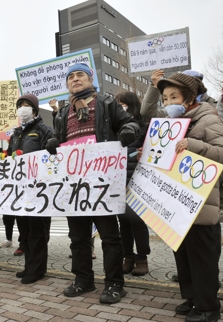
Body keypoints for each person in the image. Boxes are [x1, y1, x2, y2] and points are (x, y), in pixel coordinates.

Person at [46, 63, 140, 304]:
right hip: (74, 185)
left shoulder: (107, 104)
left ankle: (114, 284)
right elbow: (59, 137)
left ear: (90, 80)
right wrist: (54, 142)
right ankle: (83, 279)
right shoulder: (64, 111)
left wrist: (128, 130)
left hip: (102, 183)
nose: (75, 80)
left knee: (109, 236)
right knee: (78, 237)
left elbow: (131, 123)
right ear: (67, 84)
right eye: (71, 77)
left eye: (80, 75)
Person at [144, 73, 223, 321]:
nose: (168, 102)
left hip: (202, 206)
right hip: (176, 204)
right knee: (184, 256)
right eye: (165, 98)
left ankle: (208, 307)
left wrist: (195, 145)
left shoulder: (207, 119)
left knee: (202, 258)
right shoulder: (171, 124)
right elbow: (147, 114)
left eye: (174, 97)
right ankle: (192, 299)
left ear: (190, 98)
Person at [7, 93, 53, 284]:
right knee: (24, 231)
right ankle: (28, 266)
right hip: (21, 189)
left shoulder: (43, 130)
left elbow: (51, 157)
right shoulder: (16, 133)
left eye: (27, 105)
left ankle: (37, 269)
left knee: (37, 231)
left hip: (39, 189)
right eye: (20, 105)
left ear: (34, 109)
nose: (23, 108)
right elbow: (11, 157)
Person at [114, 92, 150, 276]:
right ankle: (127, 257)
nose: (120, 106)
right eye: (118, 103)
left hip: (138, 179)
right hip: (118, 179)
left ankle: (142, 258)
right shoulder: (114, 127)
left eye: (123, 103)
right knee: (123, 222)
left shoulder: (143, 126)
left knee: (137, 220)